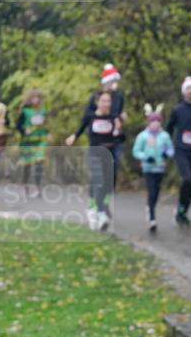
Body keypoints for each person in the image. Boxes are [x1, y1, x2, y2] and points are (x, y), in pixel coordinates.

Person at [66, 91, 119, 230]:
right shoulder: (90, 116)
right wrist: (73, 137)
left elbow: (118, 138)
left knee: (107, 183)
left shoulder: (113, 117)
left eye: (109, 101)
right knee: (98, 180)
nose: (107, 104)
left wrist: (118, 129)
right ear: (97, 102)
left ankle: (91, 208)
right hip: (95, 153)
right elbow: (81, 128)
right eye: (104, 101)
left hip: (109, 154)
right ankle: (101, 213)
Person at [166, 77, 191, 227]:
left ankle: (182, 210)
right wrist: (166, 148)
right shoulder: (177, 109)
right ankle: (181, 209)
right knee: (188, 179)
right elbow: (169, 128)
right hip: (182, 150)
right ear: (184, 91)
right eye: (188, 89)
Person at [82, 63, 128, 188]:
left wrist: (121, 118)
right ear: (106, 81)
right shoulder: (96, 96)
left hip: (114, 136)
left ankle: (107, 197)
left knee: (113, 165)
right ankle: (95, 198)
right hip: (98, 137)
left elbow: (118, 113)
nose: (115, 83)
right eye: (113, 80)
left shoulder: (119, 96)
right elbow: (87, 115)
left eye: (115, 80)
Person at [132, 104, 173, 232]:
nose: (155, 124)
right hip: (148, 167)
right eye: (153, 121)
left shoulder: (164, 136)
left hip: (160, 167)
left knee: (157, 191)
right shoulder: (142, 136)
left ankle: (151, 207)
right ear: (149, 122)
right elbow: (136, 151)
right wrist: (144, 157)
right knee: (151, 191)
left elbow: (170, 148)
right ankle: (152, 218)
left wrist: (167, 154)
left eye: (158, 121)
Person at [16, 88, 49, 198]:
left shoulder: (43, 110)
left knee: (39, 164)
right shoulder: (25, 111)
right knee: (27, 166)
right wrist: (24, 130)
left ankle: (38, 188)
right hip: (28, 142)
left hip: (40, 141)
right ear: (30, 99)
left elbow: (46, 124)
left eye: (38, 98)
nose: (37, 100)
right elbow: (18, 125)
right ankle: (26, 186)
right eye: (34, 98)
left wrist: (48, 132)